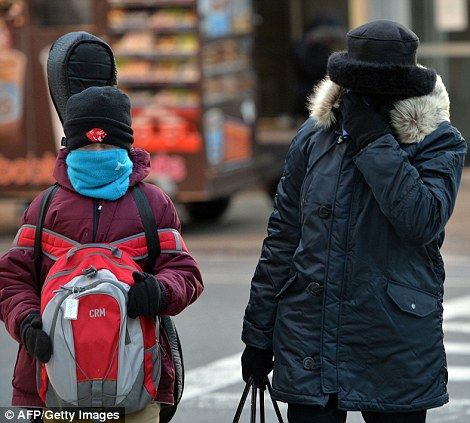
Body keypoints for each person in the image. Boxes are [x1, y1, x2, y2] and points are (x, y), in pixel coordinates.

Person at [241, 20, 467, 423]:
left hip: (394, 340)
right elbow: (283, 237)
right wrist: (258, 335)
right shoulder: (315, 136)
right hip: (312, 336)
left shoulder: (437, 140)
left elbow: (421, 220)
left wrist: (373, 140)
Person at [0, 84, 203, 422]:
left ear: (126, 145)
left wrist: (159, 290)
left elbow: (185, 272)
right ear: (70, 144)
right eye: (88, 144)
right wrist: (27, 323)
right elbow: (11, 279)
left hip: (138, 383)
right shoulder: (44, 207)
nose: (98, 152)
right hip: (51, 386)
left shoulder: (152, 205)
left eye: (107, 144)